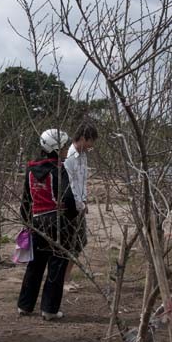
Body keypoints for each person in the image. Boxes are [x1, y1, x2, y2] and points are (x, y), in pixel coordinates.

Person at [17, 129, 78, 320]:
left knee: (34, 266)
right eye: (64, 145)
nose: (67, 148)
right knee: (57, 265)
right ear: (56, 148)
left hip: (36, 222)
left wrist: (28, 223)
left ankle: (25, 306)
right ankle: (49, 309)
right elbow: (68, 199)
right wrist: (73, 214)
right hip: (57, 223)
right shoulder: (59, 170)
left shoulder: (30, 169)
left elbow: (26, 200)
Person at [62, 121, 98, 292]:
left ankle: (66, 277)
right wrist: (78, 204)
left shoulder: (83, 156)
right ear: (83, 138)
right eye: (91, 142)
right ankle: (63, 279)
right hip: (70, 207)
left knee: (79, 242)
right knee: (70, 243)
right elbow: (69, 185)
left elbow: (82, 182)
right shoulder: (68, 157)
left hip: (80, 205)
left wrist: (85, 201)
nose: (91, 146)